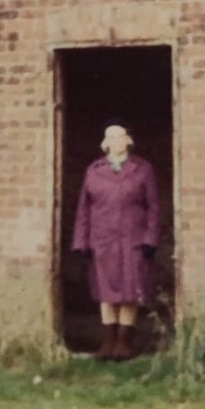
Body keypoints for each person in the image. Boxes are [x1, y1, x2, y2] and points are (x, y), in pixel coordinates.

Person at [72, 119, 160, 361]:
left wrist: (151, 238)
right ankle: (107, 343)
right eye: (111, 137)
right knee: (106, 291)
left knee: (130, 290)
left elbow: (153, 206)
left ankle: (124, 343)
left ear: (128, 141)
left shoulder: (142, 169)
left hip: (133, 239)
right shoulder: (94, 170)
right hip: (102, 240)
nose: (116, 142)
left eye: (120, 137)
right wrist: (81, 241)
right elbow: (83, 209)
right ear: (105, 143)